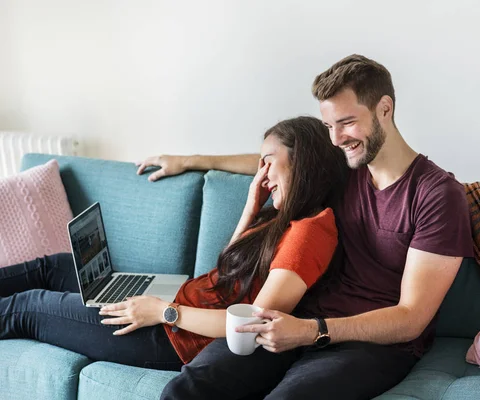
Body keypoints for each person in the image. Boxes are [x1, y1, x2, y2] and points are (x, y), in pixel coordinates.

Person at [139, 54, 474, 400]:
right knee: (185, 391)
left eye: (347, 122)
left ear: (384, 108)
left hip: (369, 344)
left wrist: (312, 331)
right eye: (330, 126)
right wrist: (190, 161)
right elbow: (280, 160)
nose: (337, 138)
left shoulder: (437, 195)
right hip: (294, 323)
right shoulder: (348, 167)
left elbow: (411, 318)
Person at [0, 116, 348, 371]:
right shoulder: (285, 214)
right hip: (179, 308)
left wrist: (163, 312)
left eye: (268, 163)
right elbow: (233, 267)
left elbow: (253, 323)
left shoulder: (310, 231)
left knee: (28, 307)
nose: (262, 175)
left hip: (176, 338)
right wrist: (250, 208)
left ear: (302, 159)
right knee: (55, 265)